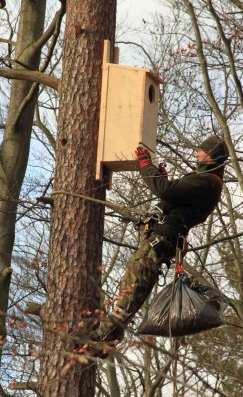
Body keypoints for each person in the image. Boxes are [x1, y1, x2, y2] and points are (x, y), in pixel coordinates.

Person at [80, 136, 229, 357]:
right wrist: (159, 178)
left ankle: (103, 336)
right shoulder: (205, 181)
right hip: (164, 238)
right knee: (133, 284)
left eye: (201, 151)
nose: (197, 154)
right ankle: (108, 338)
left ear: (211, 156)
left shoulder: (207, 181)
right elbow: (172, 195)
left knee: (134, 284)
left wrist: (146, 165)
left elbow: (165, 191)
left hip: (163, 240)